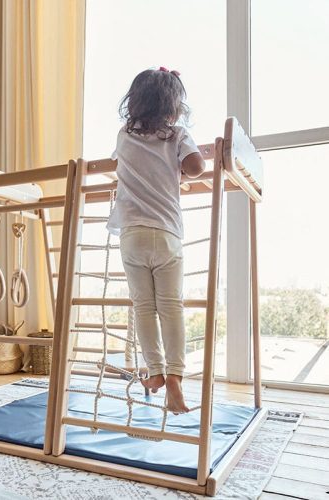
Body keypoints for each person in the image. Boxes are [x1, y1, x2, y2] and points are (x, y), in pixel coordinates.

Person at [107, 67, 205, 413]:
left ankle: (156, 370)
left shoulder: (124, 135)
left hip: (132, 235)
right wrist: (180, 167)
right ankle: (176, 377)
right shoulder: (177, 135)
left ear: (134, 103)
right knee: (171, 306)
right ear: (173, 107)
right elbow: (197, 168)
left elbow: (120, 164)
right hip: (166, 234)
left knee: (143, 308)